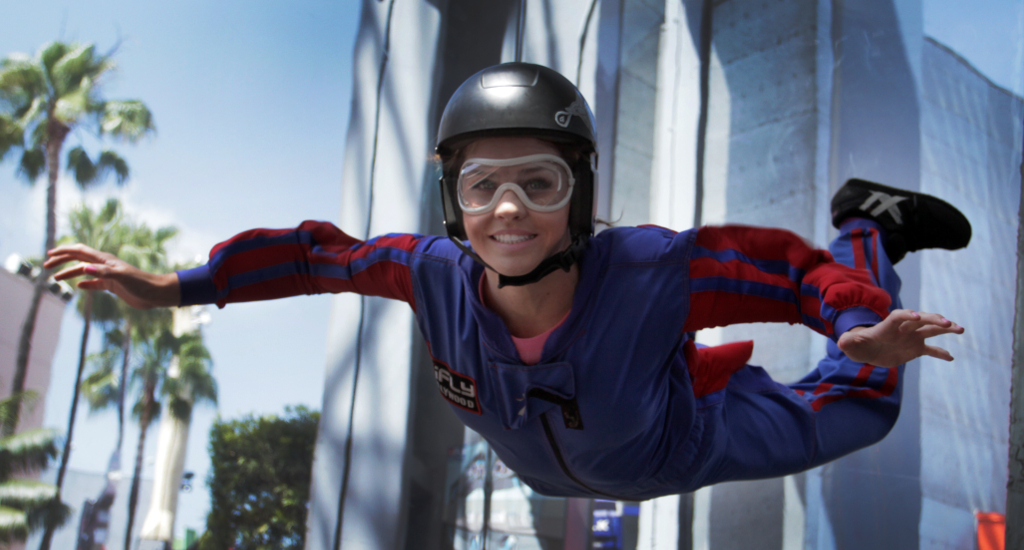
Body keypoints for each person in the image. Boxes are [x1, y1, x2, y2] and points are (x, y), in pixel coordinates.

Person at [45, 62, 970, 500]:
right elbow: (313, 256)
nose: (509, 210)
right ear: (454, 198)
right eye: (481, 186)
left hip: (687, 443)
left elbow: (779, 270)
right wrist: (174, 288)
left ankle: (872, 223)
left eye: (542, 181)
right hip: (566, 470)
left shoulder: (648, 270)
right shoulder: (429, 273)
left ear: (581, 193)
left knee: (865, 407)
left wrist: (856, 319)